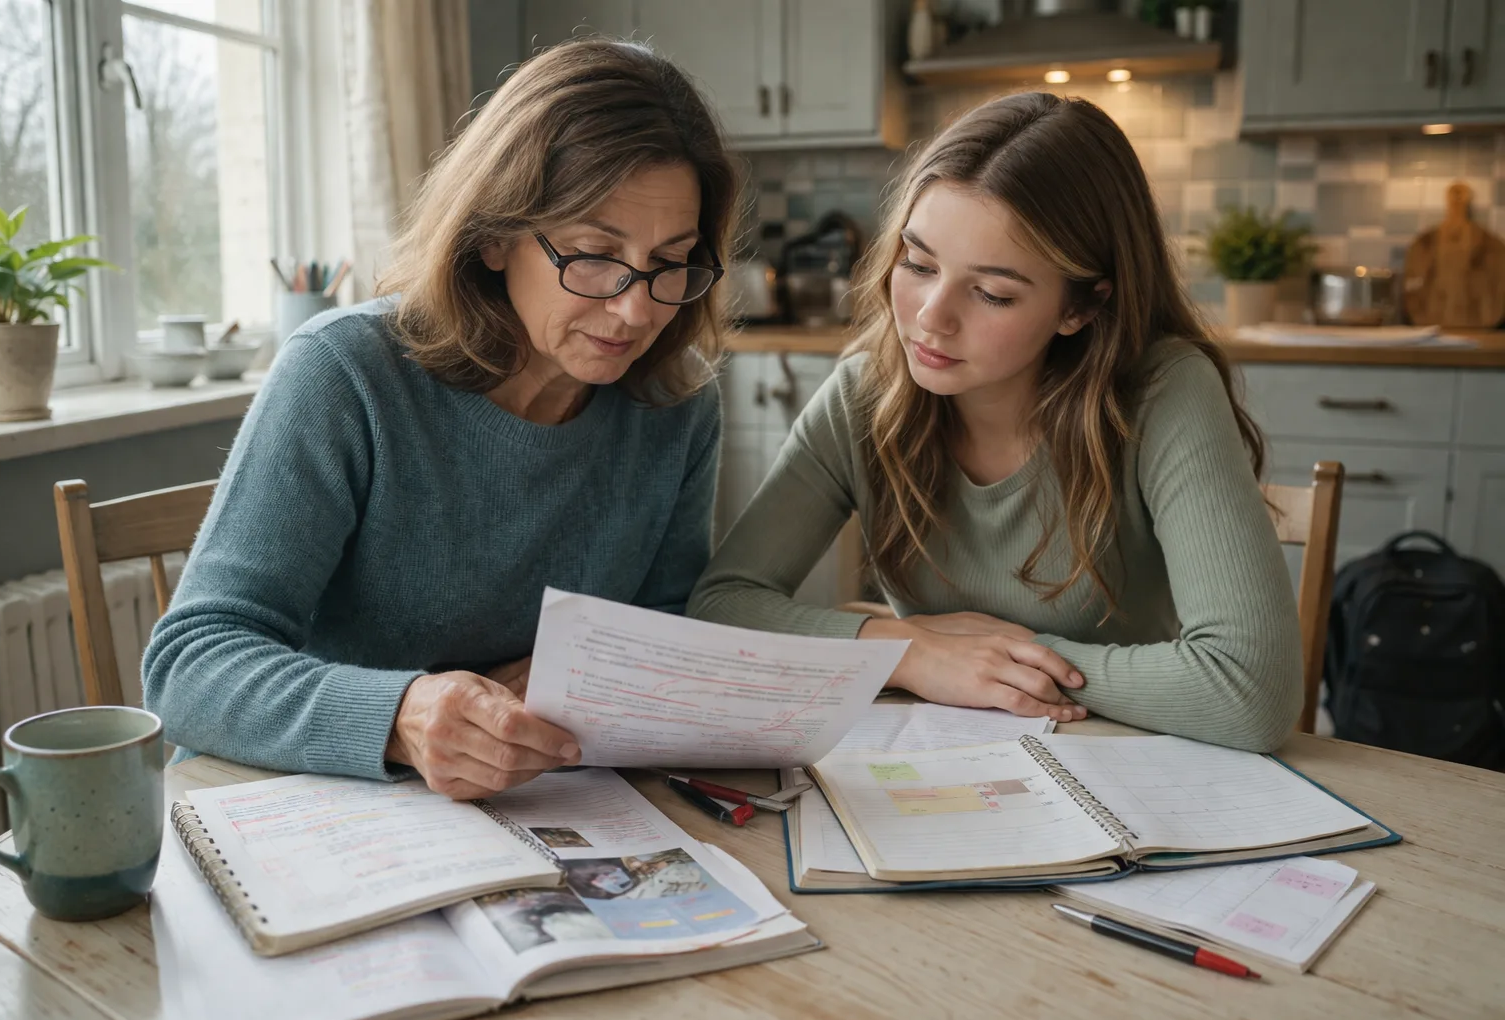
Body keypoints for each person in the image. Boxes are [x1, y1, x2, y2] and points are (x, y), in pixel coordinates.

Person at [143, 39, 737, 796]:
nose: (634, 307)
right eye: (594, 254)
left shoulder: (676, 402)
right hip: (307, 807)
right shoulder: (346, 372)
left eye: (671, 260)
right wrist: (402, 715)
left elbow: (659, 630)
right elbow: (189, 665)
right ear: (494, 236)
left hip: (542, 807)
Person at [688, 93, 1302, 753]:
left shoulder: (1162, 392)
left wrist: (997, 661)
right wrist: (912, 653)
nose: (930, 317)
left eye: (992, 293)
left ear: (1082, 306)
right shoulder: (863, 395)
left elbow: (1250, 691)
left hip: (1126, 768)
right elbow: (722, 607)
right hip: (939, 762)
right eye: (918, 265)